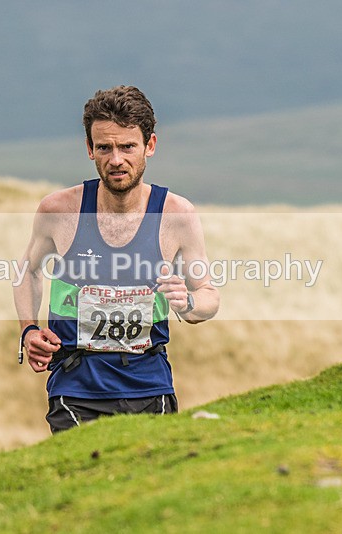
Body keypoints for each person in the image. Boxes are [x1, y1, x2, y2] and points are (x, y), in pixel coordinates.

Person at [14, 86, 219, 433]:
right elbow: (28, 273)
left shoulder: (177, 215)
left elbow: (209, 296)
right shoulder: (58, 210)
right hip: (76, 386)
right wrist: (28, 329)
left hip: (150, 385)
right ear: (90, 149)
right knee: (84, 479)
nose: (116, 159)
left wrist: (186, 301)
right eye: (105, 148)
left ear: (149, 146)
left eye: (127, 147)